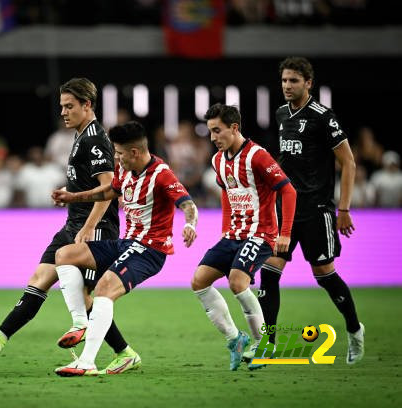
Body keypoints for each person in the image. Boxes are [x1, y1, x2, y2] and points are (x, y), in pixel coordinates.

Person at [0, 78, 139, 374]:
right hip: (73, 224)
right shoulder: (81, 136)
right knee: (40, 277)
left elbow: (108, 190)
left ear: (87, 105)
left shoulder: (95, 139)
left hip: (95, 229)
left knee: (85, 297)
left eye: (70, 106)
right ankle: (0, 336)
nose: (64, 112)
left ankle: (124, 352)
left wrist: (88, 228)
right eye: (62, 107)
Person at [51, 121, 199, 376]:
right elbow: (108, 191)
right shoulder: (126, 171)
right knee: (64, 255)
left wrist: (191, 224)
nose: (115, 158)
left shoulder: (161, 174)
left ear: (135, 152)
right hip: (125, 243)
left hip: (150, 249)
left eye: (119, 153)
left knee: (104, 288)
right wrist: (72, 197)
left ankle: (86, 362)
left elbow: (187, 204)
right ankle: (81, 324)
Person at [257, 56, 364, 365]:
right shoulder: (280, 114)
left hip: (316, 209)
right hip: (285, 209)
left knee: (324, 275)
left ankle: (355, 330)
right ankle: (269, 342)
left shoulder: (323, 117)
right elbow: (288, 160)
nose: (287, 86)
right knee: (269, 272)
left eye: (293, 81)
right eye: (284, 81)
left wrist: (344, 207)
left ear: (308, 83)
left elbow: (349, 161)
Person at [190, 104, 296, 371]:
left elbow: (289, 191)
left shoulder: (258, 156)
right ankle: (236, 340)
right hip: (233, 235)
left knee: (238, 281)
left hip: (261, 234)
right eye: (210, 132)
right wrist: (226, 229)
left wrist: (285, 234)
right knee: (199, 281)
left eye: (217, 131)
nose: (213, 137)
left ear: (234, 127)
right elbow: (227, 193)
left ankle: (263, 345)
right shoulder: (217, 160)